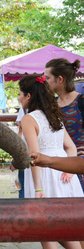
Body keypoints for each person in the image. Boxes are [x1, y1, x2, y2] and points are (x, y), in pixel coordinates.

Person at [18, 74, 83, 249]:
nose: (18, 97)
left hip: (43, 176)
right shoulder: (55, 116)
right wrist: (70, 170)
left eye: (20, 93)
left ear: (29, 96)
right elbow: (70, 147)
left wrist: (38, 188)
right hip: (63, 175)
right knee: (65, 229)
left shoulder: (28, 119)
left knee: (45, 230)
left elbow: (34, 156)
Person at [45, 58, 84, 190]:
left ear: (60, 79)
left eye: (48, 77)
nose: (45, 81)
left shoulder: (81, 101)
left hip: (80, 167)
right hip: (57, 168)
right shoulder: (50, 105)